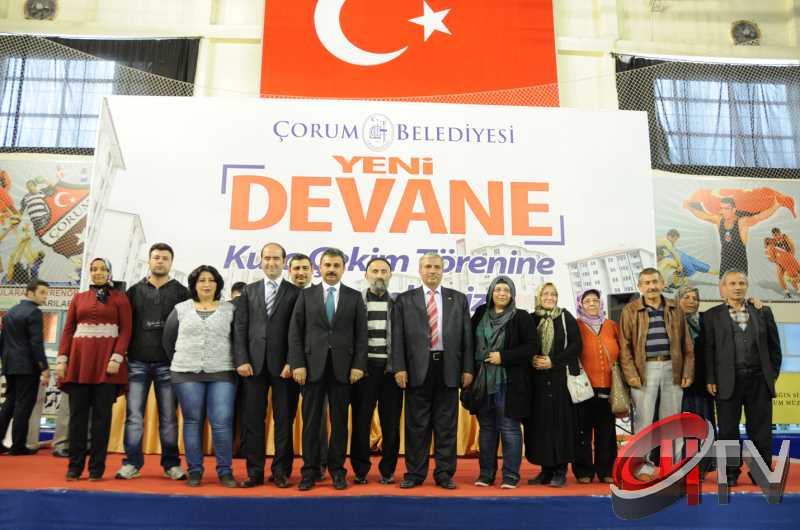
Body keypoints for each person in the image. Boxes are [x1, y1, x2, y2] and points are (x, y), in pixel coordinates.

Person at [391, 252, 474, 490]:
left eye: (437, 267)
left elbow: (467, 337)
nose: (432, 271)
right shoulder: (405, 300)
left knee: (446, 426)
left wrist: (468, 368)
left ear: (443, 270)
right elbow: (397, 337)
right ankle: (415, 474)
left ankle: (444, 474)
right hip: (417, 369)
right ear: (420, 270)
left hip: (449, 368)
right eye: (428, 266)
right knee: (416, 426)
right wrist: (399, 367)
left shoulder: (458, 299)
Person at [288, 248, 368, 491]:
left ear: (343, 268)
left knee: (340, 423)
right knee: (311, 423)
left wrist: (358, 366)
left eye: (336, 265)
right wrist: (298, 364)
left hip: (343, 370)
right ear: (319, 268)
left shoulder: (354, 297)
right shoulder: (306, 295)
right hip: (311, 369)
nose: (331, 269)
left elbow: (361, 335)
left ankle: (337, 471)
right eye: (327, 265)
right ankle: (310, 471)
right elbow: (295, 333)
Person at [116, 243, 190, 481]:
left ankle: (171, 464)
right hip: (136, 362)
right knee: (134, 417)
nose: (160, 261)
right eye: (156, 257)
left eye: (165, 258)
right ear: (149, 260)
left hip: (168, 364)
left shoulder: (182, 293)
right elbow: (124, 326)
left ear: (171, 262)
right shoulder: (133, 292)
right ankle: (132, 463)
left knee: (168, 417)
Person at [163, 265, 239, 488]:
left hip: (222, 371)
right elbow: (168, 340)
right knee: (192, 421)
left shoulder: (230, 309)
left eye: (211, 280)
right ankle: (195, 469)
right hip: (186, 372)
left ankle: (225, 471)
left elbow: (238, 340)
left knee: (221, 422)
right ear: (194, 285)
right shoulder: (181, 309)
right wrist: (183, 360)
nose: (206, 284)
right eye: (201, 280)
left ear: (218, 284)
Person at [56, 258, 132, 481]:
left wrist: (117, 357)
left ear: (110, 272)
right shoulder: (78, 298)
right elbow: (68, 330)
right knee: (77, 418)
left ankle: (96, 468)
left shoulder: (120, 298)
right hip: (79, 364)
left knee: (101, 419)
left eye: (102, 269)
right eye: (93, 269)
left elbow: (126, 330)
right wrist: (62, 359)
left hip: (106, 365)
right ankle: (74, 466)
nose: (97, 272)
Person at [705, 270, 782, 487]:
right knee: (728, 430)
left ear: (746, 286)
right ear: (723, 288)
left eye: (741, 283)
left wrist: (771, 375)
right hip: (726, 381)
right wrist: (710, 378)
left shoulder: (763, 311)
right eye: (732, 284)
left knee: (761, 430)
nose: (737, 287)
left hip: (759, 380)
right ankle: (730, 473)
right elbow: (708, 350)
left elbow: (774, 348)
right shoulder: (711, 315)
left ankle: (761, 472)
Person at [234, 243, 301, 489]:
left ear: (284, 262)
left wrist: (292, 361)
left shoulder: (296, 293)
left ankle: (281, 472)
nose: (271, 262)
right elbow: (240, 327)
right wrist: (241, 359)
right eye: (267, 258)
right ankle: (254, 472)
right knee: (253, 421)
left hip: (284, 368)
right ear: (261, 261)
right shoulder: (248, 291)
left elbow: (298, 331)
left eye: (276, 258)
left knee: (284, 421)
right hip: (253, 366)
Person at [619, 268, 693, 480]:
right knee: (644, 421)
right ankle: (643, 467)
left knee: (672, 421)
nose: (651, 286)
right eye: (646, 283)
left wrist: (687, 371)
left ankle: (673, 466)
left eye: (654, 281)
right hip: (643, 370)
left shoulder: (675, 308)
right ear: (639, 287)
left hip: (673, 368)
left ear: (662, 284)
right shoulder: (630, 310)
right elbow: (624, 347)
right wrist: (631, 374)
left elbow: (687, 344)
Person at [470, 276, 536, 489]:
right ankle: (486, 474)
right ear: (491, 292)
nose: (501, 293)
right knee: (487, 428)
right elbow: (469, 342)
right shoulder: (480, 313)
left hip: (509, 382)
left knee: (509, 428)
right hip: (482, 380)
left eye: (506, 290)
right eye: (497, 289)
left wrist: (503, 357)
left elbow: (531, 347)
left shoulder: (521, 316)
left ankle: (510, 476)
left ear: (512, 294)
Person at [349, 258, 403, 485]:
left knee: (391, 424)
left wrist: (401, 367)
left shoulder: (399, 302)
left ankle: (388, 470)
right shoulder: (355, 301)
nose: (379, 275)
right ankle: (360, 470)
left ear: (390, 275)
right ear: (366, 275)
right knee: (361, 422)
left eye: (384, 271)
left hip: (391, 372)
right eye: (374, 271)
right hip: (363, 371)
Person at [524, 283, 581, 488]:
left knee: (560, 425)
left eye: (553, 294)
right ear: (539, 296)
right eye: (545, 294)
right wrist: (531, 358)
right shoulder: (531, 318)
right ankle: (545, 470)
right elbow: (524, 345)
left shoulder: (565, 317)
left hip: (560, 380)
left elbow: (576, 346)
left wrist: (553, 361)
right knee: (540, 426)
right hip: (537, 381)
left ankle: (560, 471)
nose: (549, 297)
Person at [287, 252, 329, 480]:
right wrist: (291, 362)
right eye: (296, 268)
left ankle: (319, 464)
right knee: (284, 420)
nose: (301, 273)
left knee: (316, 418)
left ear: (313, 270)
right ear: (289, 271)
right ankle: (282, 468)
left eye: (305, 268)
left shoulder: (321, 294)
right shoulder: (282, 294)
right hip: (282, 367)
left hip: (314, 368)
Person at [572, 288, 619, 484]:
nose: (592, 303)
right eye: (587, 301)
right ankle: (583, 470)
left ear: (601, 304)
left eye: (595, 300)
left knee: (606, 431)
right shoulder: (575, 325)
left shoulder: (611, 325)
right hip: (583, 388)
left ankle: (606, 470)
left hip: (608, 387)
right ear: (580, 304)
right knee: (582, 430)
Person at [0, 279, 50, 455]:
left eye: (46, 293)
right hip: (27, 367)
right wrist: (44, 367)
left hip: (10, 364)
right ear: (30, 293)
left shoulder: (10, 312)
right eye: (42, 292)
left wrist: (5, 363)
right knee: (24, 405)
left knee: (9, 403)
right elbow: (36, 343)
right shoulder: (35, 313)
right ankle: (18, 445)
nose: (45, 296)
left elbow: (3, 341)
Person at [684, 196, 780, 278]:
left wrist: (776, 206)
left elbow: (760, 217)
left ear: (734, 210)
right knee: (723, 288)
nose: (723, 211)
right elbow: (703, 216)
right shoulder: (719, 220)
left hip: (739, 263)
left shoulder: (742, 222)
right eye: (722, 208)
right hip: (725, 262)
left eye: (727, 208)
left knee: (739, 289)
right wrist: (689, 207)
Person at [764, 228, 799, 298]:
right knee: (780, 275)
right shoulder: (771, 242)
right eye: (774, 235)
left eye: (777, 234)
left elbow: (792, 246)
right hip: (780, 261)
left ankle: (797, 289)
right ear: (772, 235)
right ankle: (787, 291)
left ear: (780, 233)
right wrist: (777, 261)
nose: (776, 236)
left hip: (789, 259)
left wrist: (791, 256)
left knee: (794, 274)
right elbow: (769, 254)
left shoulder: (785, 237)